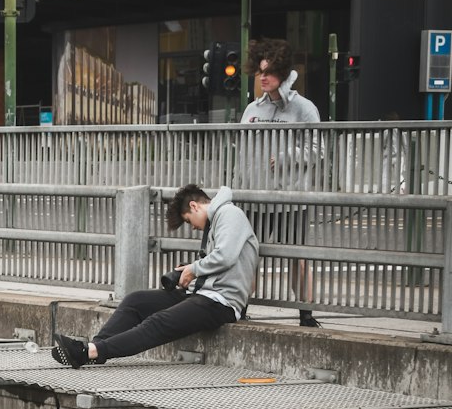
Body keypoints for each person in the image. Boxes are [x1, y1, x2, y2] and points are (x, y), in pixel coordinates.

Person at [52, 184, 258, 368]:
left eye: (188, 221)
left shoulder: (229, 214)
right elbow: (220, 260)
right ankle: (94, 348)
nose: (194, 227)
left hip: (222, 302)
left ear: (194, 206)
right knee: (136, 301)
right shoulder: (216, 221)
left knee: (159, 322)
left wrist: (193, 269)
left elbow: (226, 256)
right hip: (201, 294)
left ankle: (88, 352)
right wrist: (189, 271)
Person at [241, 38, 321, 327]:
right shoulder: (251, 110)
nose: (263, 77)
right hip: (256, 198)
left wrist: (287, 156)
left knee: (297, 258)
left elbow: (318, 150)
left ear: (284, 74)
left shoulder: (304, 109)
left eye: (270, 72)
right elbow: (242, 153)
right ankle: (240, 308)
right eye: (260, 71)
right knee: (248, 254)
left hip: (291, 200)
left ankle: (306, 314)